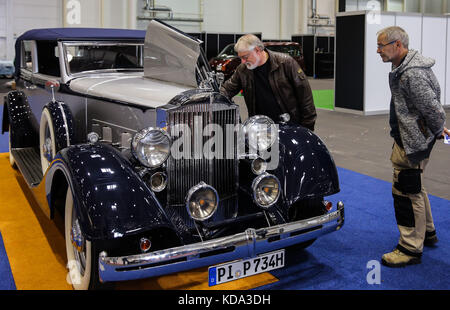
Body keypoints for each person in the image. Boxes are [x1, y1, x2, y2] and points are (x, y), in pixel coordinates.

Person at [376, 26, 447, 267]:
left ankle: (410, 247)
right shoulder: (403, 68)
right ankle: (427, 231)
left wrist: (438, 129)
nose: (378, 51)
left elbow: (432, 107)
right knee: (415, 184)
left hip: (412, 141)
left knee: (406, 191)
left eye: (381, 46)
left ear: (397, 45)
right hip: (413, 138)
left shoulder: (411, 73)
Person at [219, 34, 317, 131]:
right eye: (241, 58)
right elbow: (228, 89)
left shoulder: (286, 63)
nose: (243, 61)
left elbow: (305, 96)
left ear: (257, 50)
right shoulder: (243, 70)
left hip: (289, 125)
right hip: (260, 129)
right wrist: (214, 99)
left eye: (245, 57)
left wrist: (306, 129)